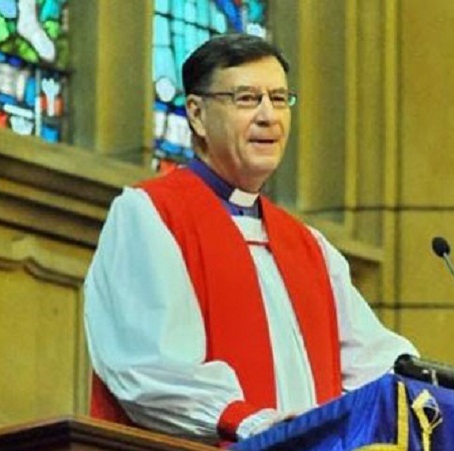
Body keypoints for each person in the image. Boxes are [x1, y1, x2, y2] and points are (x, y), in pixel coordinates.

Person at [84, 33, 419, 445]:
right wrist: (250, 422)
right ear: (197, 114)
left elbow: (376, 364)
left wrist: (437, 392)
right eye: (247, 99)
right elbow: (145, 365)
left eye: (279, 99)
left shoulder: (310, 247)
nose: (268, 116)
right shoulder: (149, 215)